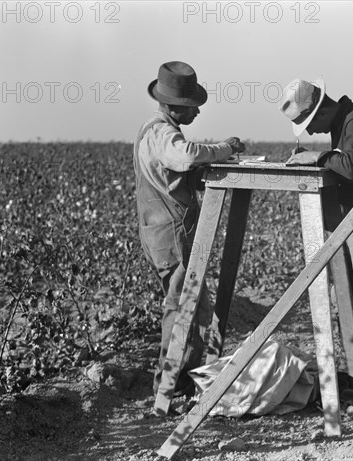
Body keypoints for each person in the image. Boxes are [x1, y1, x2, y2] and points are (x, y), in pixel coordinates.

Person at [278, 78, 353, 406]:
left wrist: (318, 157)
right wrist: (321, 156)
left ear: (320, 111)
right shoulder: (343, 121)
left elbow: (352, 166)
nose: (311, 130)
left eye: (308, 123)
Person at [133, 61, 245, 400]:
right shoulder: (161, 133)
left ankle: (183, 381)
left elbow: (175, 174)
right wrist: (226, 148)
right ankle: (169, 387)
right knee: (182, 306)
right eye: (190, 107)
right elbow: (185, 155)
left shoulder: (157, 130)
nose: (196, 112)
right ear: (171, 107)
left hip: (165, 230)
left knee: (193, 306)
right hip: (171, 235)